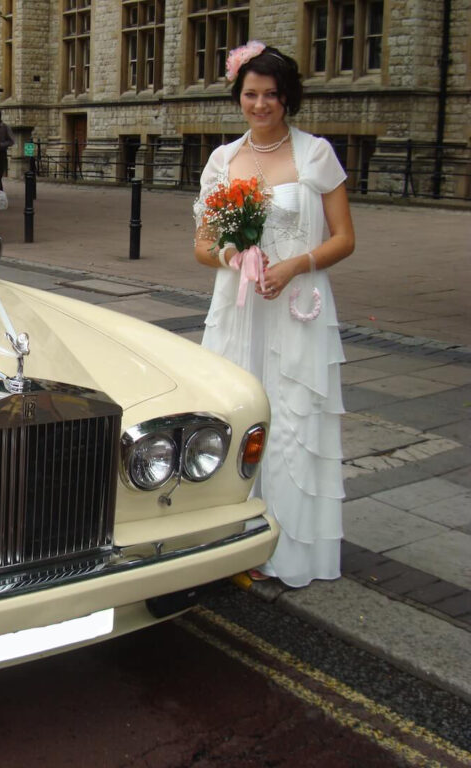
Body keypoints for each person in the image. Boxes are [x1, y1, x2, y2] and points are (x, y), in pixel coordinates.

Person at [192, 42, 355, 588]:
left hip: (296, 306)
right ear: (238, 97)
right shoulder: (222, 160)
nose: (260, 104)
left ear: (287, 98)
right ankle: (229, 541)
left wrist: (294, 266)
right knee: (234, 412)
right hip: (238, 308)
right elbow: (201, 245)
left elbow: (345, 239)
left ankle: (287, 547)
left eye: (270, 95)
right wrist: (234, 255)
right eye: (250, 94)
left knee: (292, 420)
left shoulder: (316, 155)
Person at [0, 114, 15, 191]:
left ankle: (0, 195)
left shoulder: (5, 127)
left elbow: (12, 141)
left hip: (0, 154)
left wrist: (1, 145)